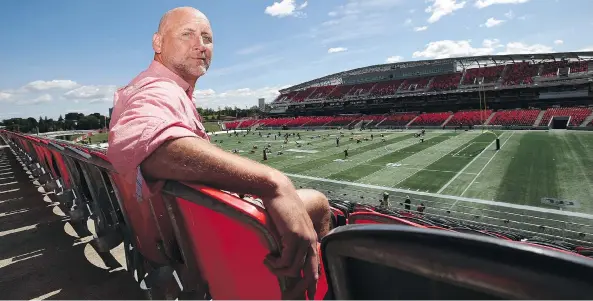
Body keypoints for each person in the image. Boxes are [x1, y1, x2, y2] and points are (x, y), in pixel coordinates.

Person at [107, 7, 329, 299]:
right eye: (187, 34)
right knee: (321, 204)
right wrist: (272, 182)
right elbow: (142, 143)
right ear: (158, 43)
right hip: (197, 244)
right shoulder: (158, 89)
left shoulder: (162, 89)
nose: (200, 45)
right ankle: (324, 289)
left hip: (174, 239)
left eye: (207, 38)